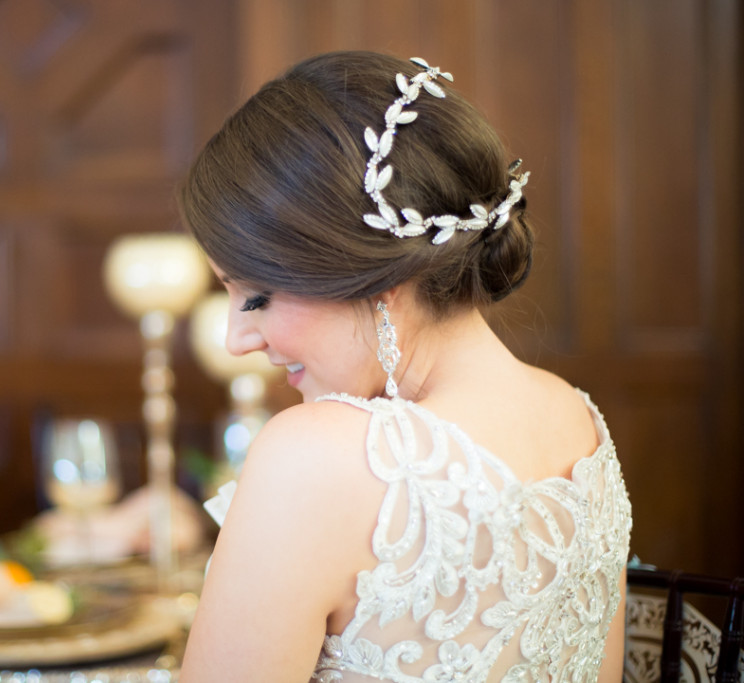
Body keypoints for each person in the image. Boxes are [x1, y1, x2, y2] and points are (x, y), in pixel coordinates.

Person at [176, 51, 632, 683]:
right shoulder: (577, 418)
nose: (236, 339)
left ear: (377, 280)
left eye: (257, 296)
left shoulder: (314, 455)